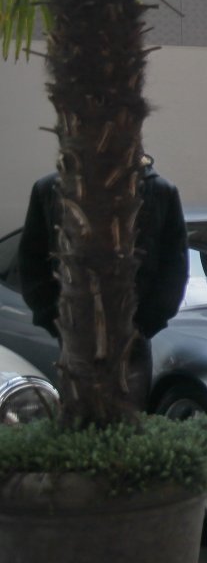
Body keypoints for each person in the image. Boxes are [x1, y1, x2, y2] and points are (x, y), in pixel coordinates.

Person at [19, 154, 188, 406]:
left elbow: (174, 265)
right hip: (76, 336)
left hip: (132, 339)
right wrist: (55, 318)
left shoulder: (160, 191)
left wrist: (145, 323)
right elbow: (32, 260)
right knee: (80, 417)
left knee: (128, 417)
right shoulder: (49, 189)